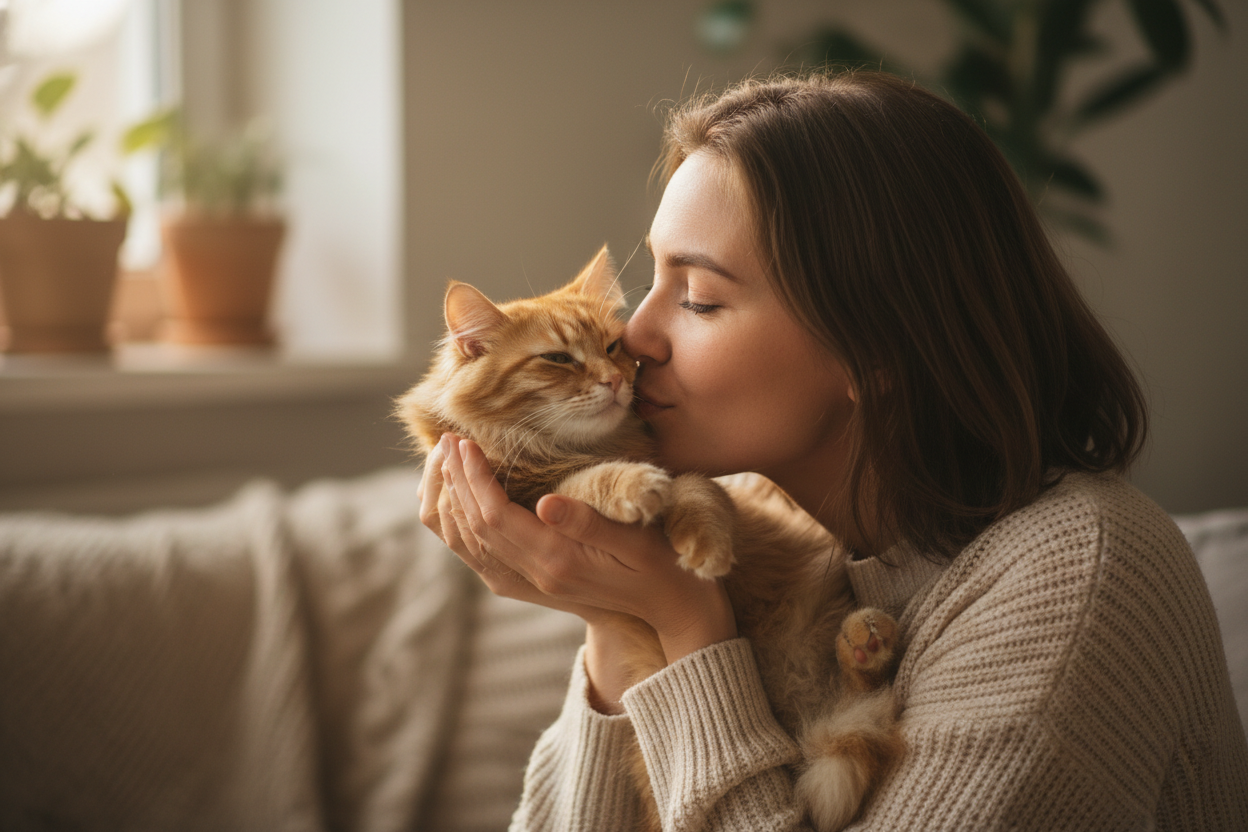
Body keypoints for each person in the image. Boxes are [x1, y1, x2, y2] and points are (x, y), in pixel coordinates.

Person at [419, 71, 1248, 830]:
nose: (633, 337)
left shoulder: (1075, 575)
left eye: (700, 299)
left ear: (876, 350)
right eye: (653, 286)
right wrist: (617, 614)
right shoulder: (775, 534)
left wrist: (686, 624)